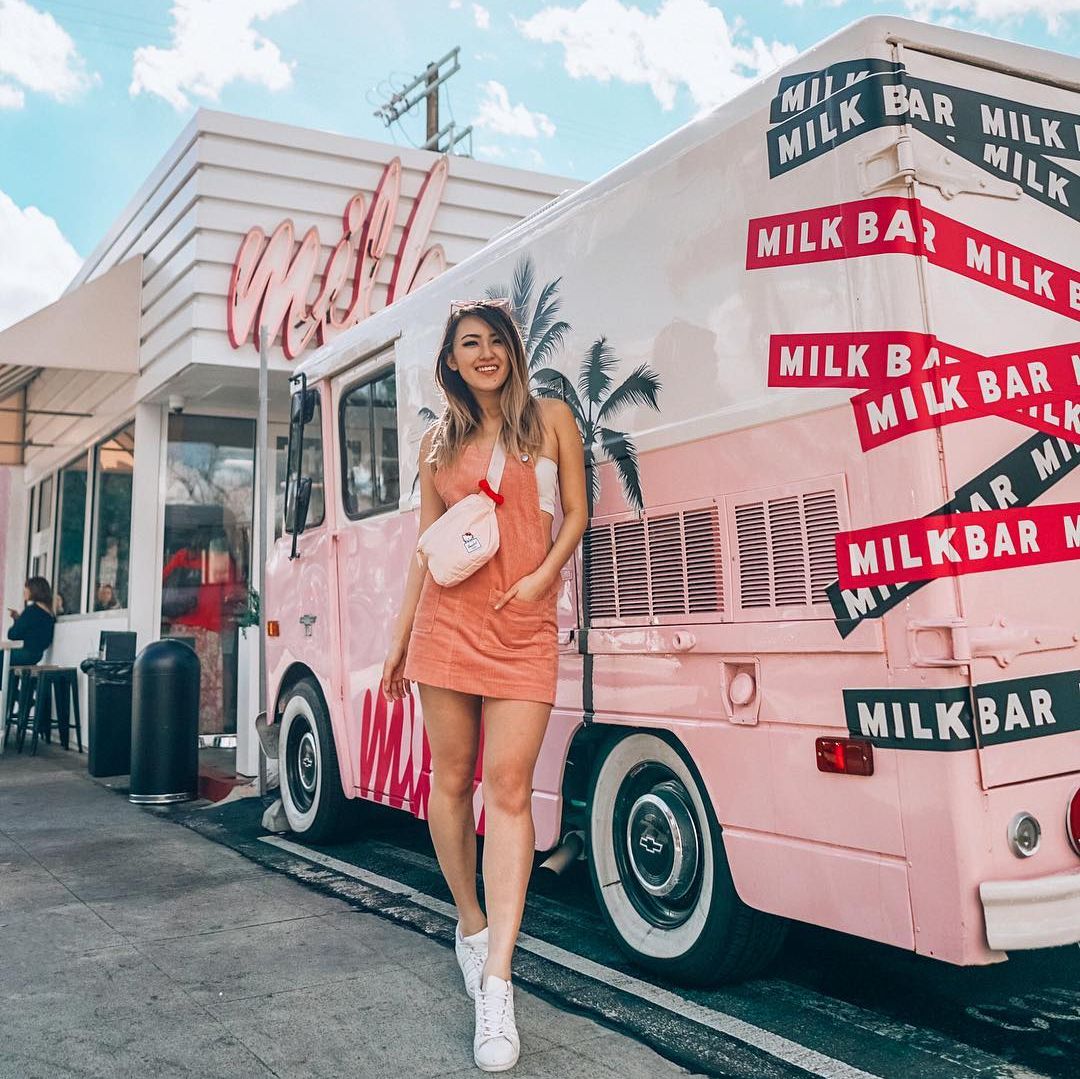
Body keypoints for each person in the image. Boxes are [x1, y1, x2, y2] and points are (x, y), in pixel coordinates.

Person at [382, 299, 587, 1072]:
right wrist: (399, 639)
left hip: (523, 629)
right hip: (448, 627)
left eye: (496, 339)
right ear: (453, 360)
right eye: (471, 343)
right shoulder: (438, 443)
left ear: (512, 350)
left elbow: (577, 515)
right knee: (453, 779)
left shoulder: (551, 419)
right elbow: (424, 551)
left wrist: (540, 581)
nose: (486, 352)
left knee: (509, 789)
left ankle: (497, 981)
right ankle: (470, 924)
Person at [7, 576, 56, 666]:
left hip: (27, 654)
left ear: (34, 590)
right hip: (38, 655)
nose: (24, 592)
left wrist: (17, 620)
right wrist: (19, 619)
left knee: (3, 656)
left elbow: (13, 634)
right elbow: (34, 630)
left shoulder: (31, 611)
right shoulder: (49, 613)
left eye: (26, 588)